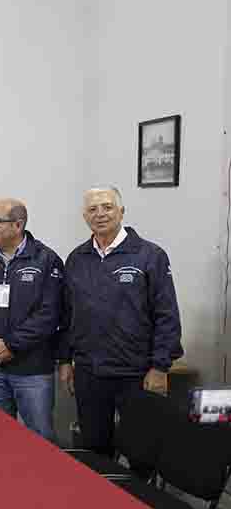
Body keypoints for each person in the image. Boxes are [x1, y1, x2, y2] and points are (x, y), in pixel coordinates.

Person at [59, 186, 183, 456]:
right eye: (92, 209)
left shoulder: (150, 255)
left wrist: (160, 367)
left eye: (107, 207)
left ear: (122, 211)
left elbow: (167, 316)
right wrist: (65, 360)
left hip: (136, 372)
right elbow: (67, 314)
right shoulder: (77, 259)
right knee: (94, 449)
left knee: (141, 449)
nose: (100, 214)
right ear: (84, 216)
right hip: (90, 372)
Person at [0, 199, 63, 440]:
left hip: (32, 370)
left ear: (18, 225)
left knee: (39, 439)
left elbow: (49, 314)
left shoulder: (46, 259)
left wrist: (10, 344)